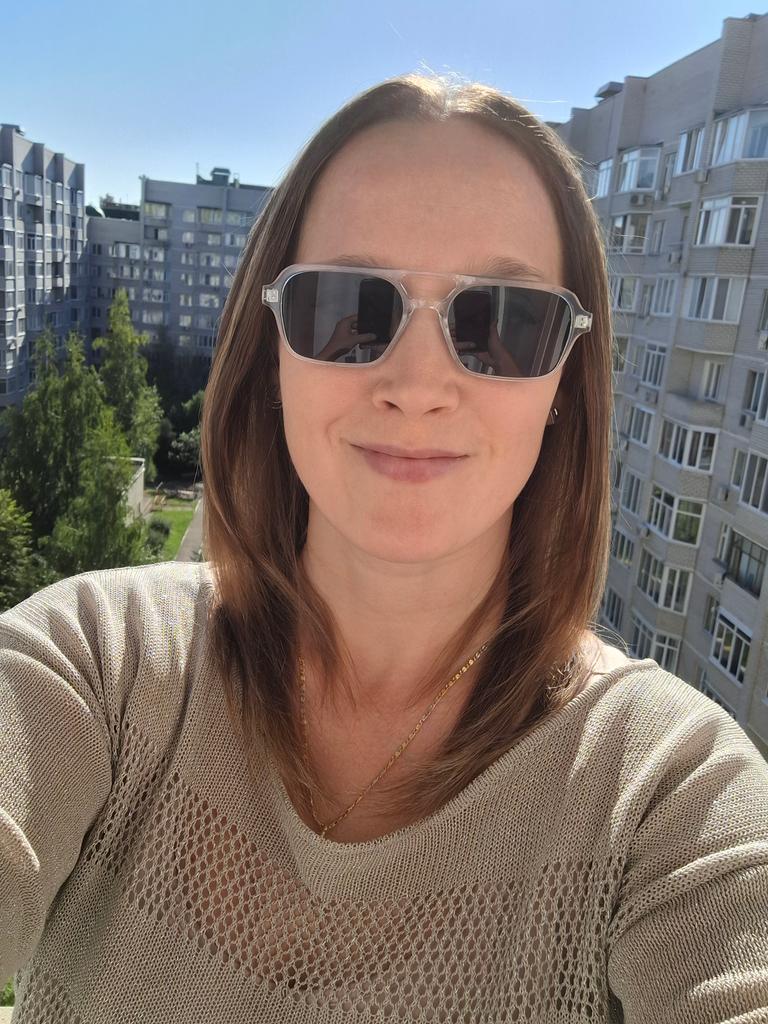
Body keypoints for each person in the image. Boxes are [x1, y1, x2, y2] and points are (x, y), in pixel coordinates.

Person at [1, 72, 767, 1022]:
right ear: (271, 351)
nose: (417, 384)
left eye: (502, 322)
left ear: (566, 381)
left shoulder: (666, 793)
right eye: (350, 309)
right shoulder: (97, 666)